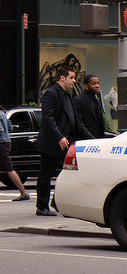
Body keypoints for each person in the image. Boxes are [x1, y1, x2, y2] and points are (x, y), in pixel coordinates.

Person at [37, 65, 94, 216]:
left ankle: (56, 202)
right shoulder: (51, 94)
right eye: (72, 77)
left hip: (66, 141)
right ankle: (42, 207)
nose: (74, 81)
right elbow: (48, 119)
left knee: (69, 172)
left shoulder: (67, 94)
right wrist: (59, 137)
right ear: (62, 78)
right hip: (52, 142)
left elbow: (73, 119)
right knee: (46, 174)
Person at [75, 73, 110, 141]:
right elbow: (79, 123)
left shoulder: (96, 100)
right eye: (93, 84)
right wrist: (91, 138)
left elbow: (100, 122)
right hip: (84, 141)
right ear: (86, 86)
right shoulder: (78, 100)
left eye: (98, 83)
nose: (97, 86)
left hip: (97, 141)